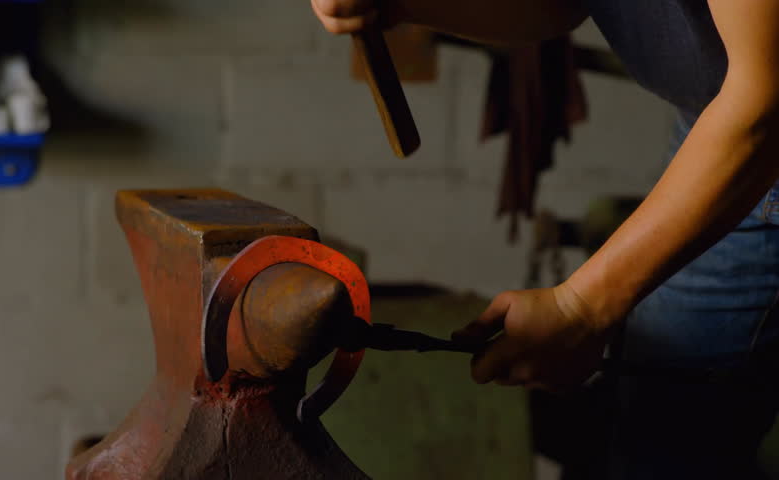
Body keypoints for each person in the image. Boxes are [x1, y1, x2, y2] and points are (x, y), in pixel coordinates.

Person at [312, 1, 779, 478]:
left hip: (757, 125)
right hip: (726, 119)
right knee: (660, 432)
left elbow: (765, 100)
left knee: (667, 442)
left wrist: (581, 307)